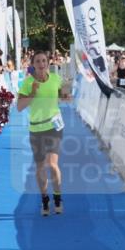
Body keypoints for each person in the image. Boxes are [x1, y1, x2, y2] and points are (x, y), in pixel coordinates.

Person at [17, 51, 71, 216]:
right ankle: (44, 199)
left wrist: (66, 94)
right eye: (38, 61)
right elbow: (19, 107)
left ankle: (57, 197)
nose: (41, 64)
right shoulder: (27, 83)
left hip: (54, 126)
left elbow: (64, 95)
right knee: (40, 166)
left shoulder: (55, 78)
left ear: (48, 63)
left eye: (44, 61)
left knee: (52, 164)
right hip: (36, 128)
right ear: (33, 64)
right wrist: (32, 93)